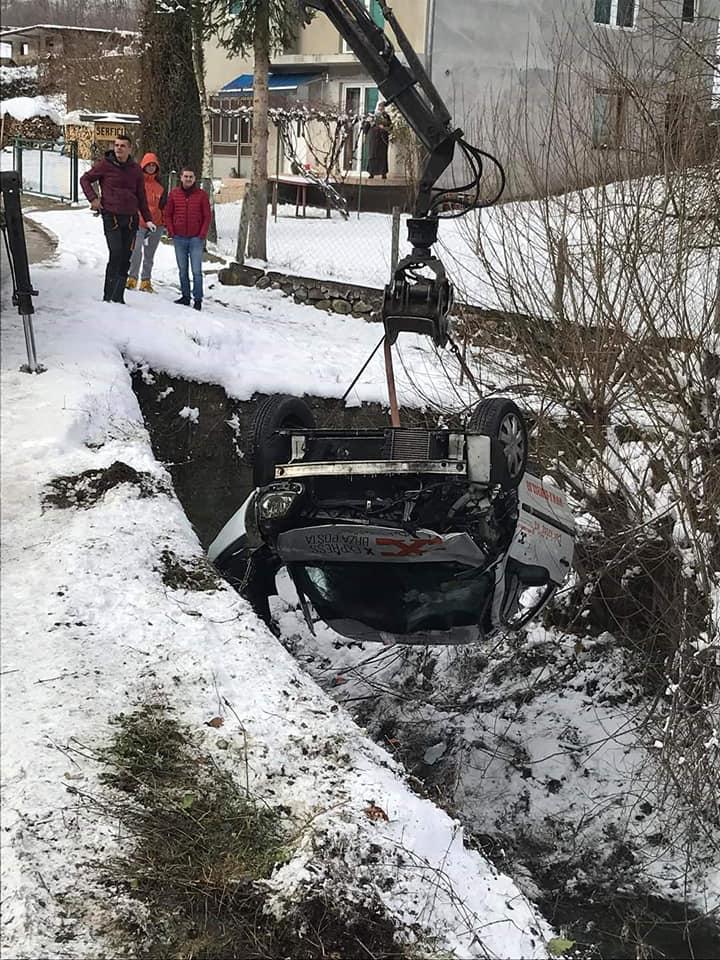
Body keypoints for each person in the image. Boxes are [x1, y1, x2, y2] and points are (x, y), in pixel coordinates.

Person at [79, 134, 155, 303]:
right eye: (116, 145)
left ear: (129, 149)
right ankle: (108, 297)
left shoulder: (135, 169)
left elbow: (141, 196)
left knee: (126, 256)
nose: (119, 148)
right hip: (111, 215)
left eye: (122, 146)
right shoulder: (105, 165)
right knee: (116, 252)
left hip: (130, 219)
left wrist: (148, 219)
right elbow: (84, 179)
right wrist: (93, 198)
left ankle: (118, 297)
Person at [164, 167, 211, 311]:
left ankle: (198, 299)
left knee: (196, 270)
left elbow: (207, 216)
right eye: (186, 176)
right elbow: (168, 214)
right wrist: (171, 231)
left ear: (195, 179)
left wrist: (202, 234)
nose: (188, 179)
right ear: (181, 177)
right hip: (179, 238)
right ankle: (185, 296)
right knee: (182, 269)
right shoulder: (174, 194)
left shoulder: (202, 195)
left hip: (196, 238)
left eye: (191, 177)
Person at [126, 153, 167, 293]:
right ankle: (132, 278)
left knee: (150, 254)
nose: (150, 167)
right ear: (143, 166)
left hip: (156, 225)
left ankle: (145, 281)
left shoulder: (160, 186)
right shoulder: (137, 182)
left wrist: (164, 221)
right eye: (148, 165)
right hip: (139, 222)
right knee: (136, 251)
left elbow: (164, 205)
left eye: (153, 165)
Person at [365, 102, 392, 179]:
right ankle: (371, 173)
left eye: (382, 106)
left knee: (382, 155)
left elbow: (390, 127)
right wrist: (369, 123)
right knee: (372, 155)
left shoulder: (386, 116)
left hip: (383, 139)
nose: (381, 108)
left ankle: (383, 173)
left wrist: (384, 127)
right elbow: (366, 128)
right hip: (373, 138)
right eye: (380, 106)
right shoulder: (372, 115)